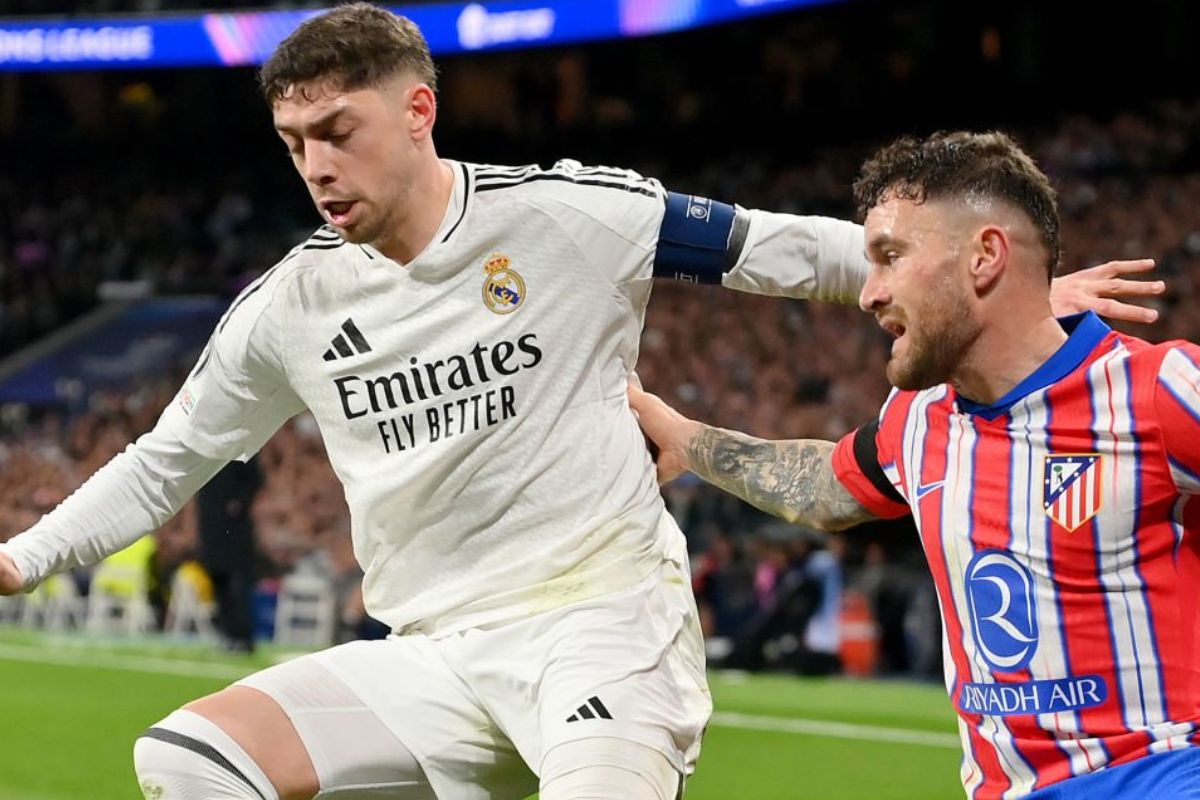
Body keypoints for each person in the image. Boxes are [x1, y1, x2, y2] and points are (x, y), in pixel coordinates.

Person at [0, 5, 1161, 798]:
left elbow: (783, 250)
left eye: (337, 132)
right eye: (294, 141)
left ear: (418, 111)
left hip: (602, 629)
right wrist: (20, 558)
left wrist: (972, 279)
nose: (314, 165)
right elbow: (165, 460)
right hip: (437, 657)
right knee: (187, 760)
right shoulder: (290, 304)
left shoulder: (566, 215)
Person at [630, 130, 1200, 799]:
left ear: (986, 257)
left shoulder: (1159, 391)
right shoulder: (917, 420)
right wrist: (687, 439)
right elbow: (823, 490)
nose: (869, 293)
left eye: (890, 257)